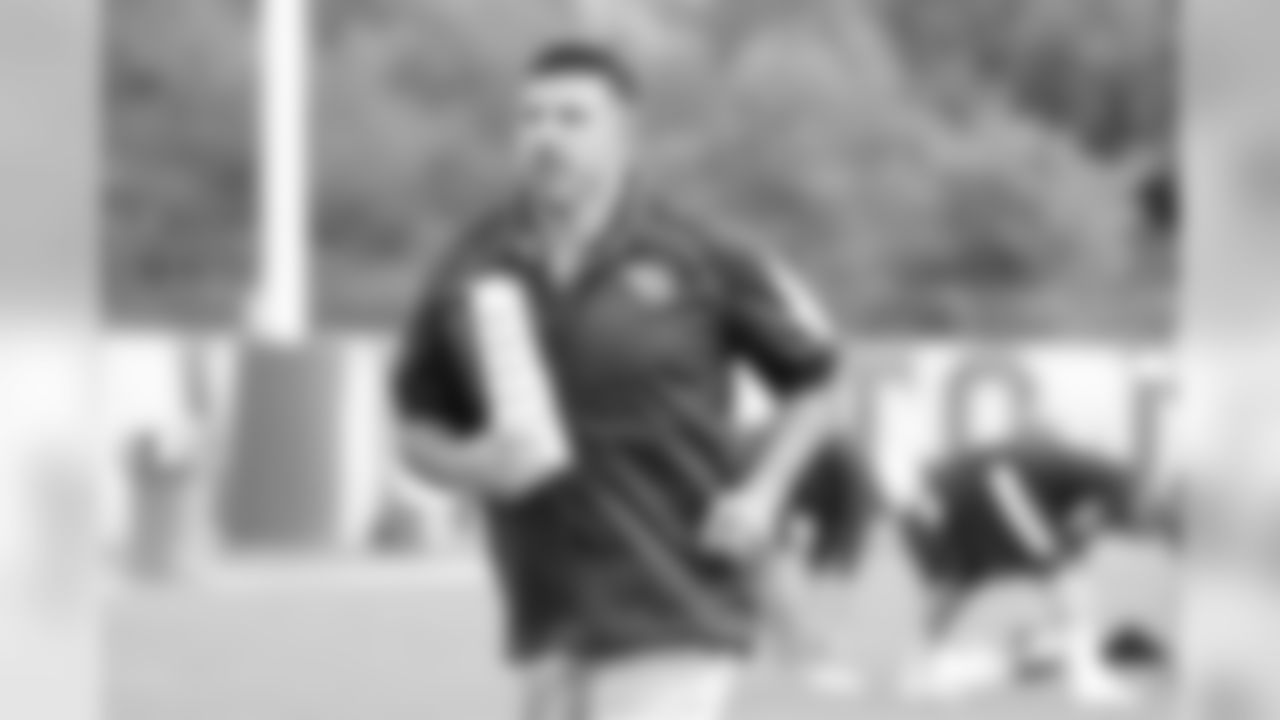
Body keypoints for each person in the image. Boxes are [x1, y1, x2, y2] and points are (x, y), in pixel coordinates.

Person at [391, 39, 841, 720]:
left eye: (573, 118)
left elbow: (819, 382)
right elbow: (414, 426)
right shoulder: (473, 264)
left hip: (675, 604)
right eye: (531, 118)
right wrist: (471, 464)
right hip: (547, 625)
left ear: (625, 134)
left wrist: (764, 492)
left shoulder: (700, 253)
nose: (546, 136)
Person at [893, 431, 1173, 706]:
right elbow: (1085, 528)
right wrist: (1063, 556)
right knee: (1066, 573)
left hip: (954, 487)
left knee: (957, 580)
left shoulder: (1103, 476)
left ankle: (919, 671)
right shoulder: (1122, 482)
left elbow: (1077, 527)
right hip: (999, 479)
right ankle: (1090, 676)